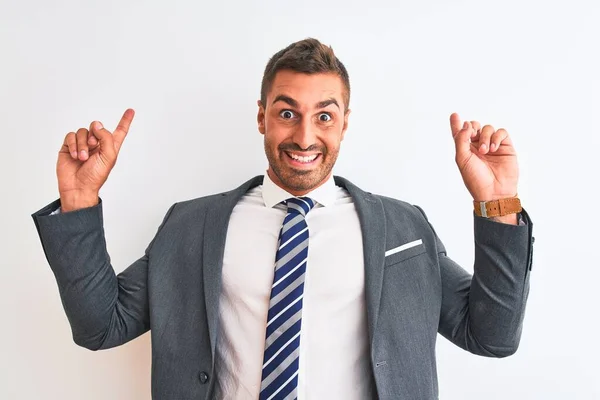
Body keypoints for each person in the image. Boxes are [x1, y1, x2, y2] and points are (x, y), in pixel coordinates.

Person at [32, 38, 534, 400]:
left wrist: (499, 202)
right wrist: (79, 199)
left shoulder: (403, 229)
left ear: (344, 124)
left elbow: (491, 335)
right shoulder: (191, 226)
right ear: (262, 117)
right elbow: (101, 326)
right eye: (287, 112)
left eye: (324, 115)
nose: (304, 136)